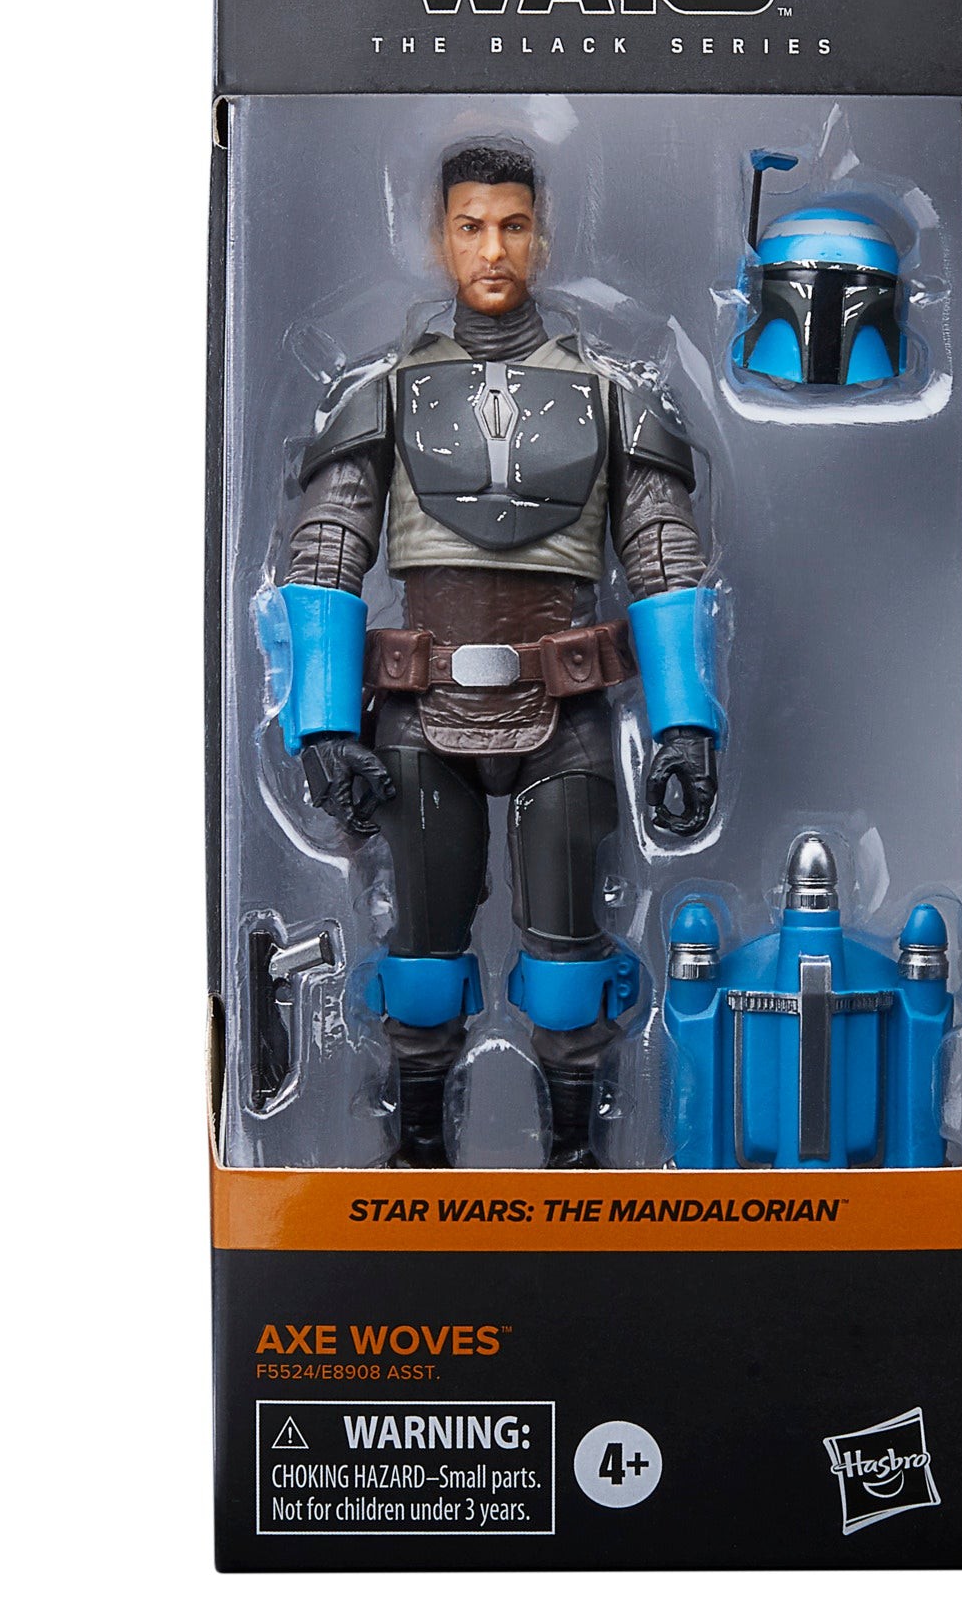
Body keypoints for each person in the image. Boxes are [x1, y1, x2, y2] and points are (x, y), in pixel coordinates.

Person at [268, 142, 721, 1167]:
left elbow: (664, 560)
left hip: (566, 717)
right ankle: (417, 1155)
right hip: (419, 718)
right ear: (439, 237)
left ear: (544, 236)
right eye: (470, 225)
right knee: (421, 968)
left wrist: (686, 723)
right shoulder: (382, 391)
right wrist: (323, 723)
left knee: (568, 973)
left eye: (512, 225)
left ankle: (576, 1163)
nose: (492, 248)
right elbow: (325, 553)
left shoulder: (614, 393)